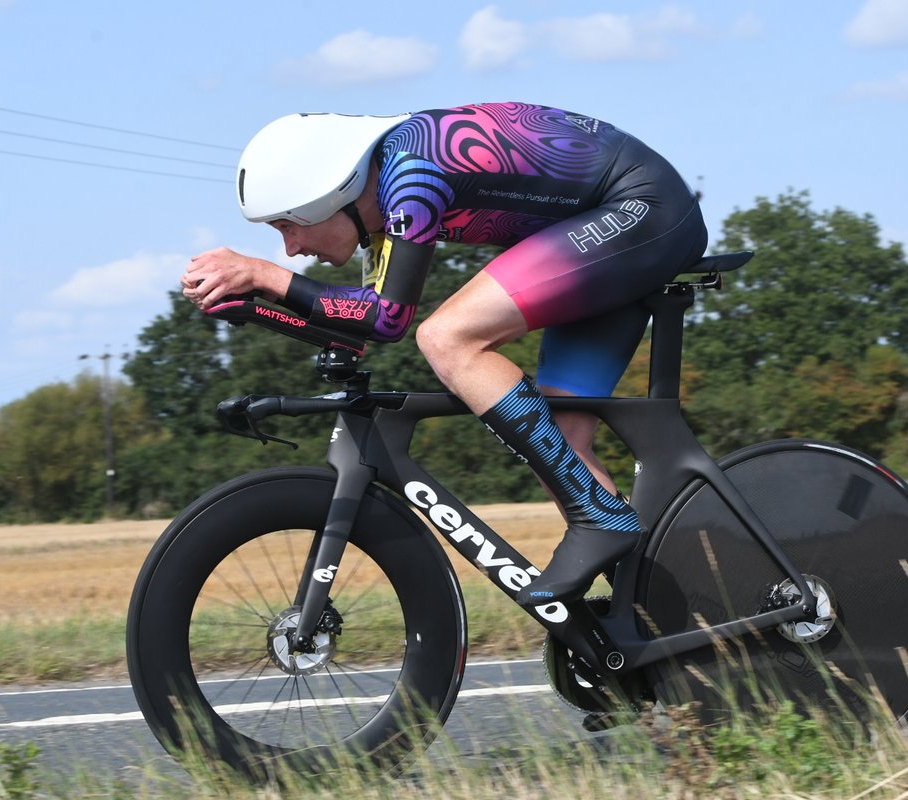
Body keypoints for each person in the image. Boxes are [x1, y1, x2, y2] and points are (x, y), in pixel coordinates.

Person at [181, 102, 707, 606]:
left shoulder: (412, 175)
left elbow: (388, 318)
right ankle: (656, 616)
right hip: (603, 228)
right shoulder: (380, 205)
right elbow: (362, 324)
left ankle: (601, 519)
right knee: (562, 441)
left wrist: (267, 276)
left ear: (328, 196)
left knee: (447, 337)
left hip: (642, 210)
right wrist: (259, 307)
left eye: (287, 226)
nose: (291, 249)